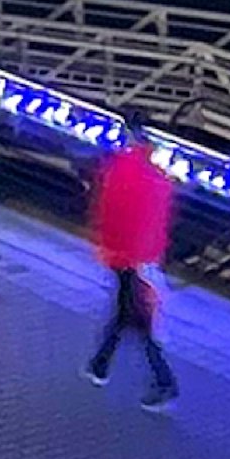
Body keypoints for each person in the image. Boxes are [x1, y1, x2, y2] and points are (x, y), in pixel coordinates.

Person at [84, 116, 178, 404]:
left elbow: (106, 211)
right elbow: (157, 222)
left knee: (132, 314)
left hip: (121, 255)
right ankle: (103, 364)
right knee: (132, 313)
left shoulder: (117, 168)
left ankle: (162, 381)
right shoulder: (158, 179)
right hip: (140, 258)